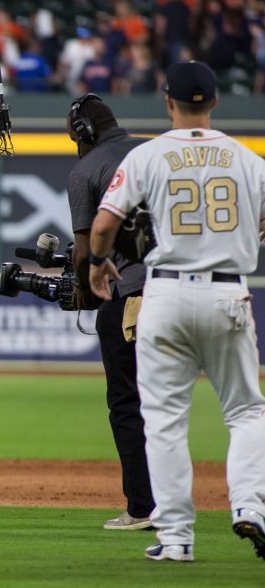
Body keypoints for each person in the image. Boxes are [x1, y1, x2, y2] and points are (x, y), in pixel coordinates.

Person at [90, 61, 265, 562]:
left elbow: (104, 225)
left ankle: (175, 539)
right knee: (247, 410)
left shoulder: (149, 155)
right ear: (214, 102)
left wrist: (100, 264)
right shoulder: (247, 159)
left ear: (168, 101)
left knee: (164, 419)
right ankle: (250, 506)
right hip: (227, 293)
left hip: (163, 295)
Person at [64, 94, 155, 530]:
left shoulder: (87, 169)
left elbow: (85, 251)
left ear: (83, 134)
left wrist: (84, 289)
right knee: (171, 404)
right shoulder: (155, 150)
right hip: (182, 289)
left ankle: (143, 506)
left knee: (126, 401)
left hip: (129, 296)